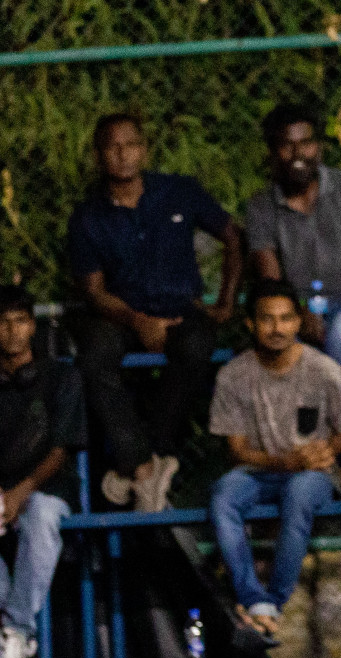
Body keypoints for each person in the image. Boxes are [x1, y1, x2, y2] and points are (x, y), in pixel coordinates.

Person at [67, 112, 244, 512]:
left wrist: (227, 302)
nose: (123, 154)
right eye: (112, 146)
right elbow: (94, 293)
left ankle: (144, 459)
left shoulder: (179, 191)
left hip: (183, 310)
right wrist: (138, 320)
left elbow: (232, 237)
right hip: (120, 316)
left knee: (197, 348)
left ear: (144, 150)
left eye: (131, 144)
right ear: (98, 155)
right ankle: (146, 468)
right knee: (93, 357)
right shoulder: (87, 217)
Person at [208, 280, 341, 640]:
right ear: (251, 324)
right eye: (268, 319)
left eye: (286, 318)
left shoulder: (324, 369)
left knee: (301, 494)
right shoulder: (233, 376)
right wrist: (285, 461)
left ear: (299, 322)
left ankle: (274, 601)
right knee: (223, 495)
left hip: (312, 473)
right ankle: (254, 600)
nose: (277, 328)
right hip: (259, 471)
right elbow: (237, 451)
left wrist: (326, 452)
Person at [247, 104, 341, 404]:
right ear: (272, 153)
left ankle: (336, 440)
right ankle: (296, 444)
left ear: (320, 148)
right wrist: (299, 310)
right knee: (279, 347)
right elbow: (270, 277)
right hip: (297, 309)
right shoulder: (261, 207)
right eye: (287, 145)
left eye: (307, 142)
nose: (299, 153)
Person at [0, 286, 86, 658]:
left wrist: (22, 490)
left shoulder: (61, 376)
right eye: (3, 322)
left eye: (19, 321)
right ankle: (13, 634)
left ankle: (16, 629)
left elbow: (61, 449)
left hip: (47, 491)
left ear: (32, 326)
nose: (12, 331)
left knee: (41, 513)